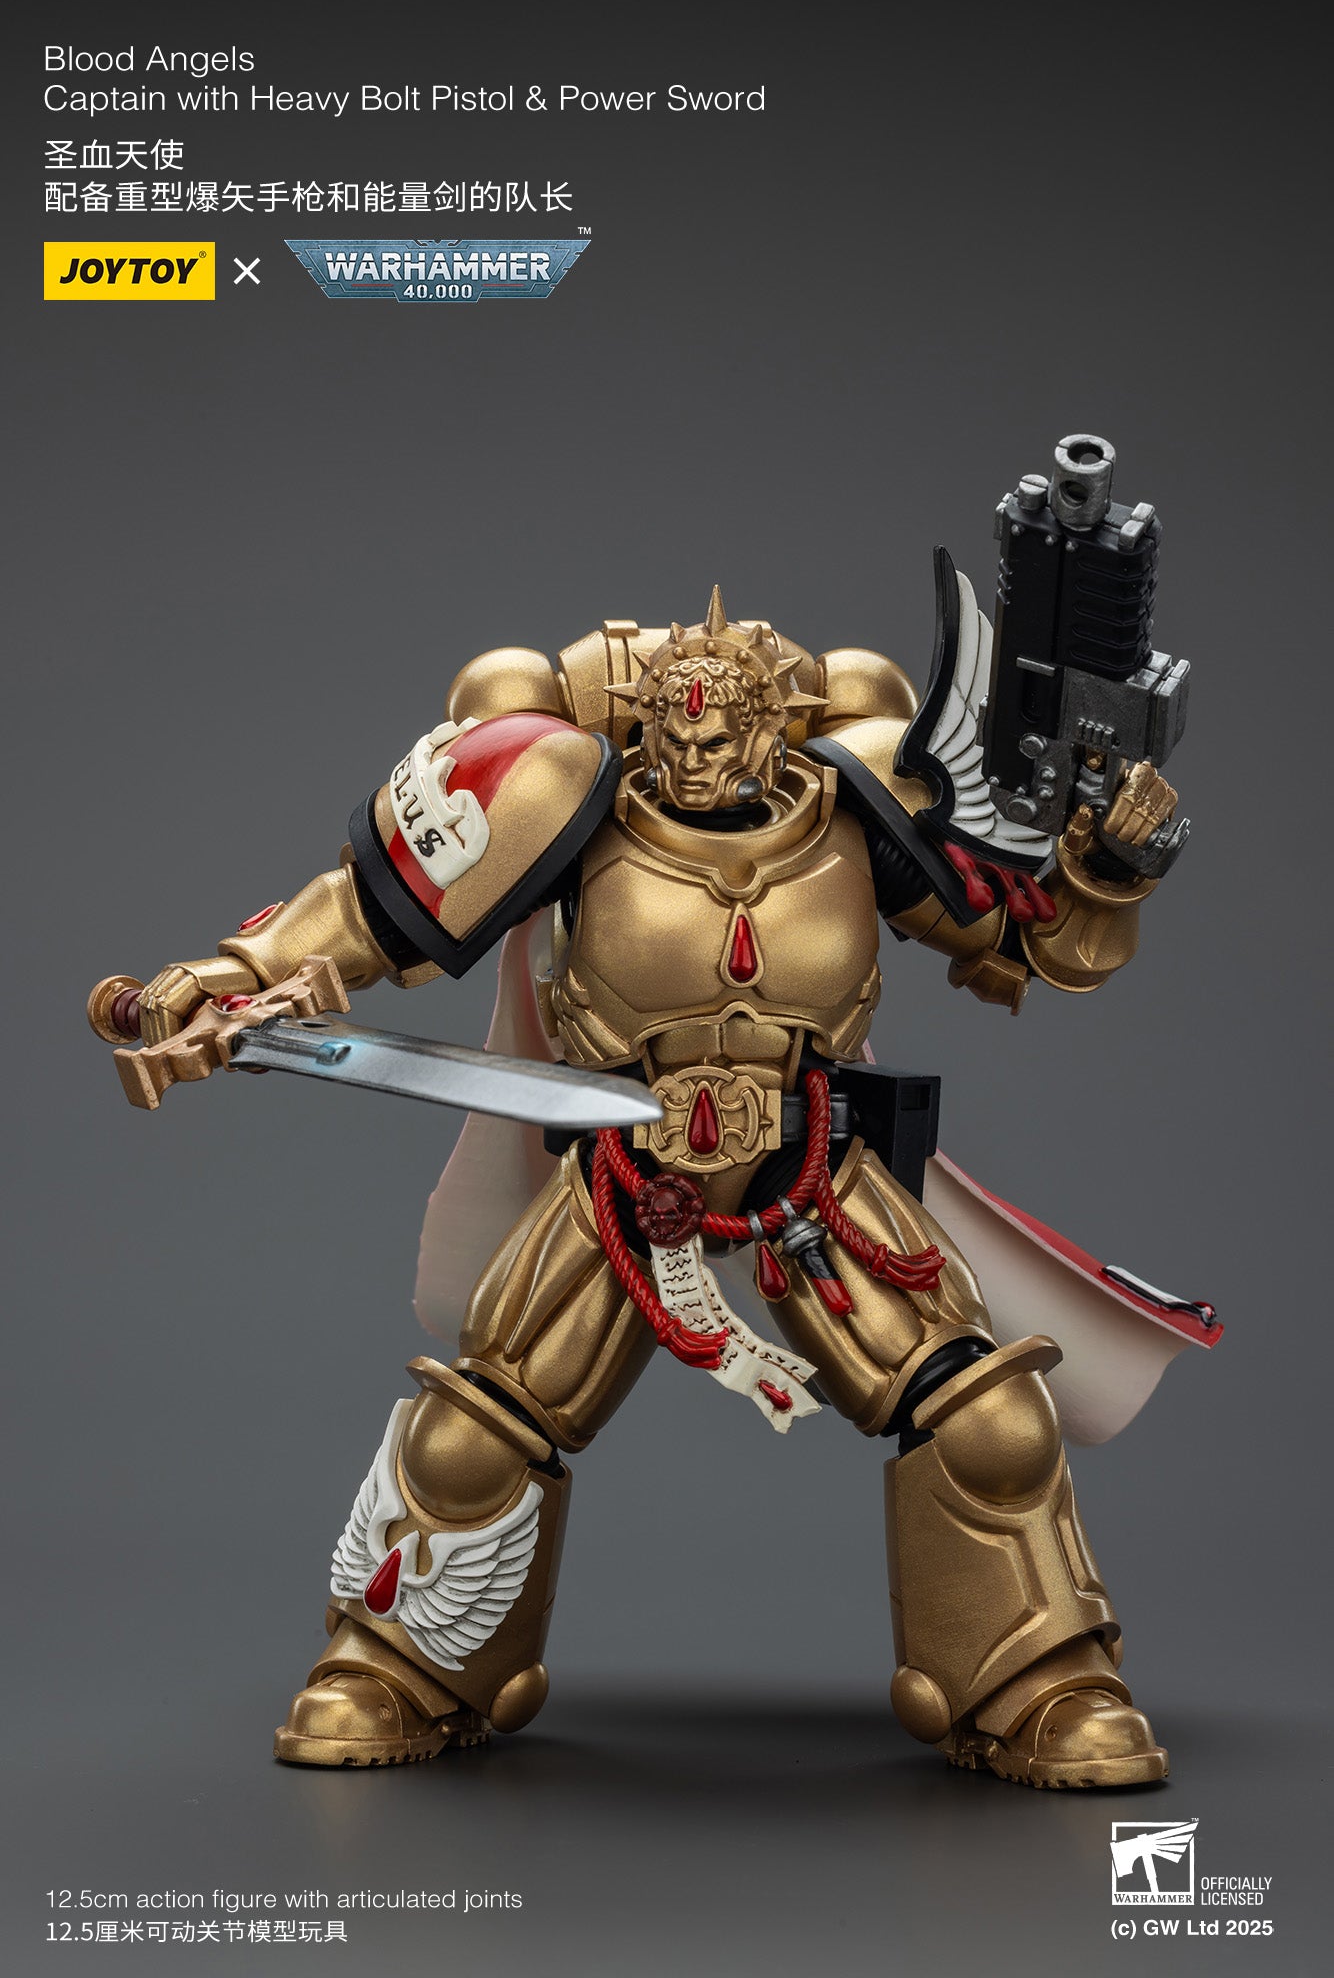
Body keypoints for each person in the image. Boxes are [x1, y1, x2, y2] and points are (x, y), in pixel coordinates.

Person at [94, 581, 1184, 1787]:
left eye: (721, 735)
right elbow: (362, 915)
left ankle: (1035, 1680)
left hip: (808, 1178)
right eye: (674, 731)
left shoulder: (866, 803)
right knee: (476, 1430)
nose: (693, 755)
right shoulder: (569, 804)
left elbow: (1035, 941)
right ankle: (401, 1664)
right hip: (627, 1169)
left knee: (988, 1420)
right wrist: (232, 975)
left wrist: (1107, 864)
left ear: (774, 726)